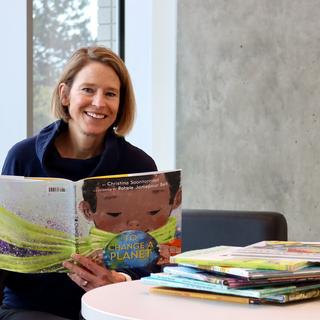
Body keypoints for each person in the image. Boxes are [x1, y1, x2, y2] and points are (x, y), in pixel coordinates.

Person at [0, 46, 157, 320]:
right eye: (88, 90)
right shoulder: (22, 157)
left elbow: (150, 264)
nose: (99, 103)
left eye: (110, 94)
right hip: (29, 308)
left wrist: (119, 279)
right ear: (64, 94)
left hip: (109, 308)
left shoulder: (139, 166)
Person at [78, 172, 182, 268]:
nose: (134, 223)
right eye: (114, 214)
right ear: (87, 210)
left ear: (177, 199)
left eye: (153, 211)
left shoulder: (179, 245)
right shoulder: (77, 251)